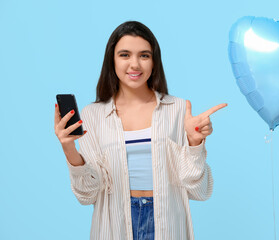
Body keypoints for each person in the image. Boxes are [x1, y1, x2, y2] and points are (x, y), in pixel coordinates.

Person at [54, 21, 227, 240]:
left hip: (167, 223)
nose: (134, 64)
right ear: (112, 61)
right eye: (124, 55)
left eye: (144, 55)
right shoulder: (92, 115)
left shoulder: (178, 110)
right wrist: (69, 147)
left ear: (154, 62)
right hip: (114, 224)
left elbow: (199, 191)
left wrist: (195, 144)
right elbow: (87, 194)